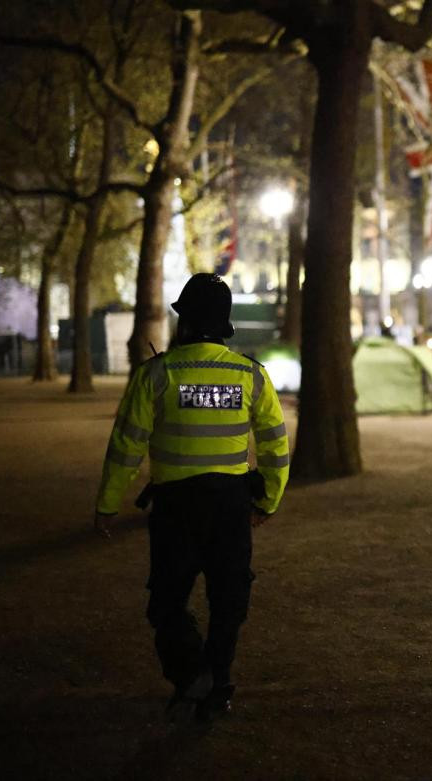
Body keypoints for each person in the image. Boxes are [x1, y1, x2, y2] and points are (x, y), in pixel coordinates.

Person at [93, 273, 290, 720]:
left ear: (183, 321)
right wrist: (268, 502)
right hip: (231, 507)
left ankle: (191, 673)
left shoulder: (155, 374)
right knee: (228, 601)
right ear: (225, 324)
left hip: (174, 508)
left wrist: (108, 503)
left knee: (166, 603)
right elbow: (276, 446)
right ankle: (217, 681)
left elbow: (125, 445)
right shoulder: (252, 376)